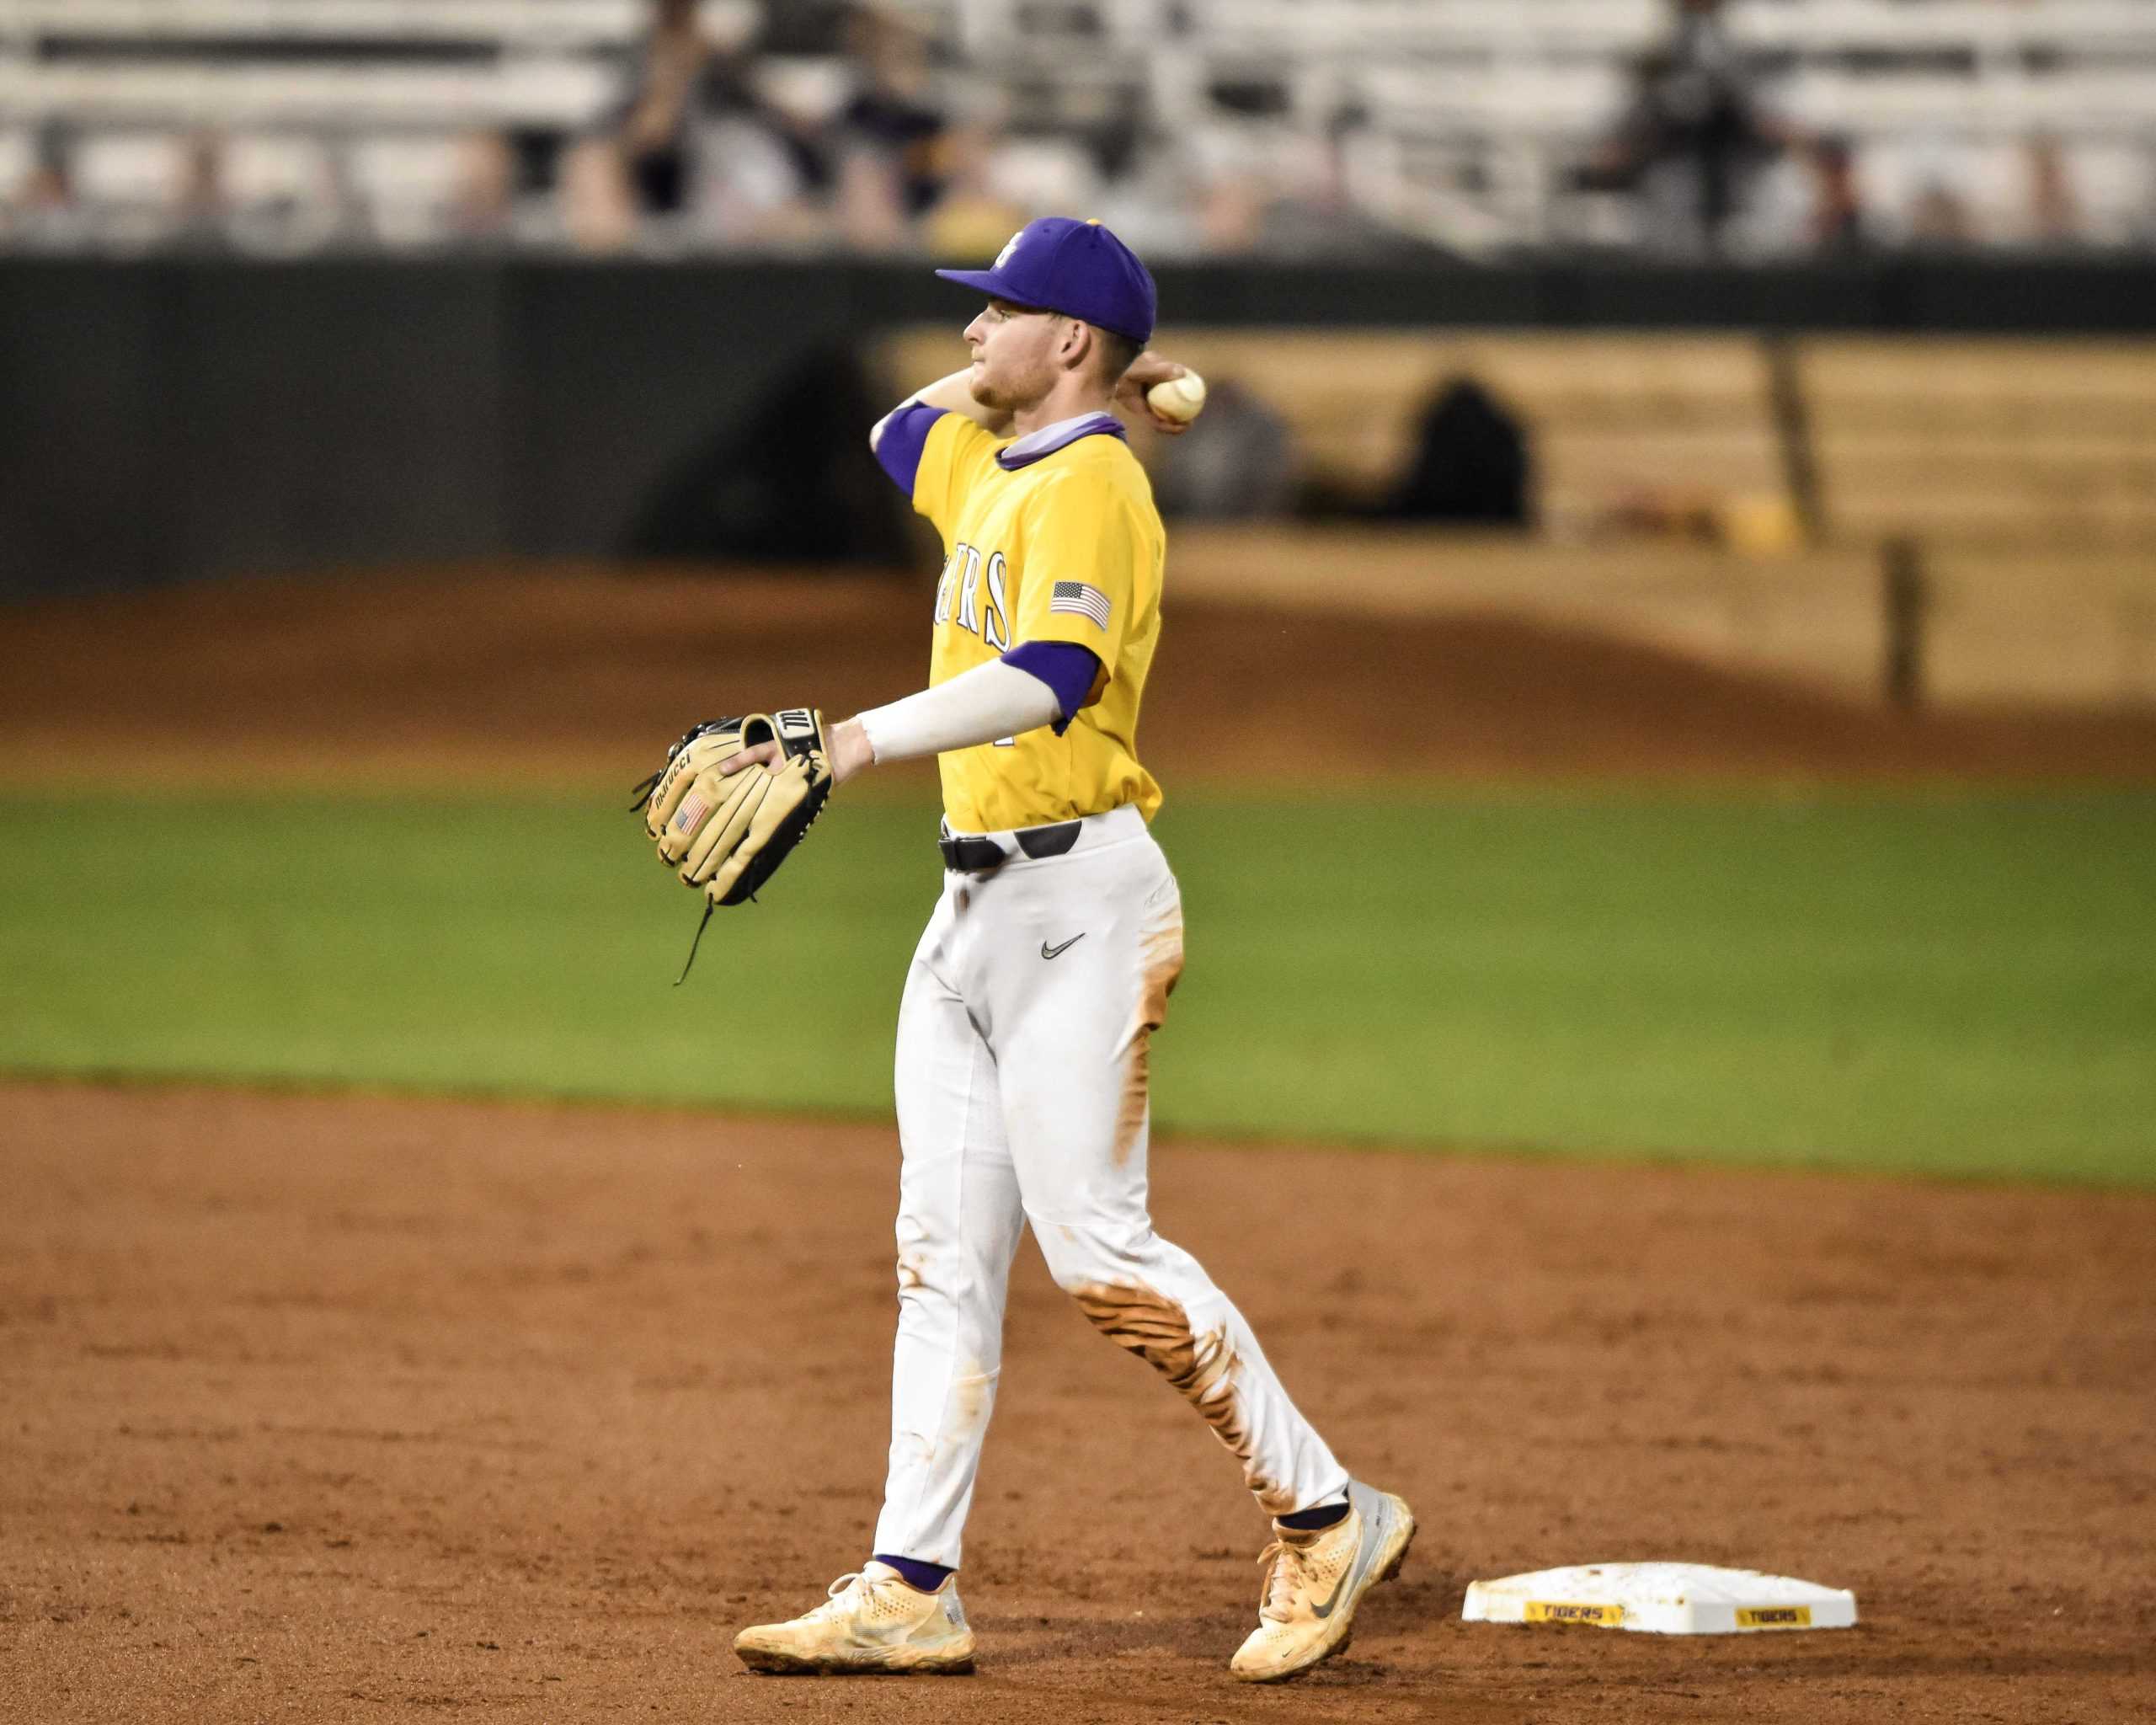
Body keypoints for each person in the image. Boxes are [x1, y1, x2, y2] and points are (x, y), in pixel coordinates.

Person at [714, 216, 1415, 1683]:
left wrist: (849, 741)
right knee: (939, 1260)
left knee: (1099, 1250)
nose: (970, 333)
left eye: (1002, 313)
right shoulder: (994, 449)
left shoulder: (1097, 488)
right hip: (966, 919)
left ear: (1068, 341)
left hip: (1085, 912)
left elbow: (1050, 677)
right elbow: (893, 425)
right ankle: (911, 1588)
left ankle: (1328, 1514)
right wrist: (1100, 368)